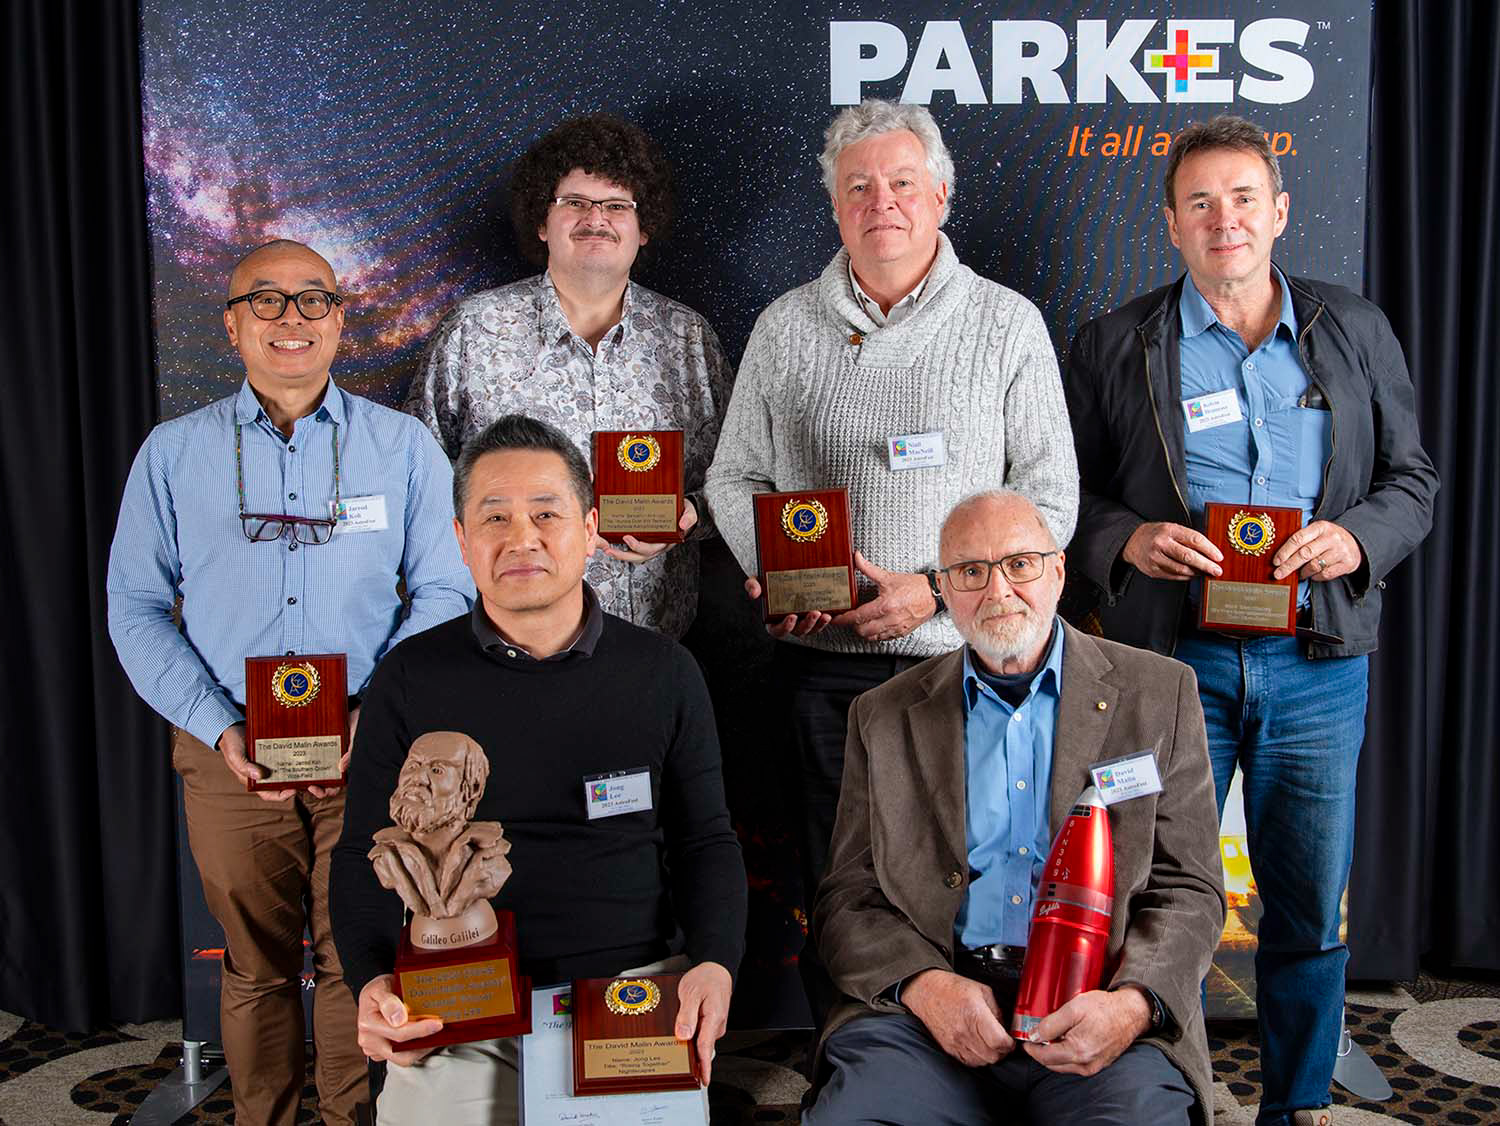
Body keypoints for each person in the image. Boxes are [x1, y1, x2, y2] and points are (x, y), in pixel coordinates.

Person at [1063, 115, 1438, 1126]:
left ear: (1278, 213)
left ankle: (1297, 1103)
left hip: (1317, 664)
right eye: (1199, 203)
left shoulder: (1354, 329)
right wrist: (1126, 542)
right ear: (1172, 226)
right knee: (1153, 896)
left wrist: (1355, 539)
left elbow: (1414, 481)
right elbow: (1066, 499)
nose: (1222, 218)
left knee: (1309, 907)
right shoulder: (1113, 343)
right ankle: (1156, 1096)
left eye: (1242, 198)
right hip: (1171, 666)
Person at [703, 97, 1078, 1016]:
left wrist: (938, 598)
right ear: (835, 209)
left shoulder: (1006, 324)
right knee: (842, 882)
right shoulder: (786, 327)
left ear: (941, 196)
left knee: (973, 866)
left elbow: (1052, 501)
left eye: (903, 183)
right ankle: (857, 1058)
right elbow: (733, 475)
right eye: (859, 187)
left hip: (969, 665)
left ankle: (982, 1049)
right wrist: (778, 570)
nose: (883, 203)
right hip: (823, 667)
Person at [106, 239, 473, 1125]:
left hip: (368, 748)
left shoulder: (404, 446)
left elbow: (446, 589)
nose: (291, 319)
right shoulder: (172, 454)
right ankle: (261, 1117)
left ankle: (355, 1121)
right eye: (264, 301)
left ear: (341, 318)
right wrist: (215, 723)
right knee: (255, 962)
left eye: (313, 300)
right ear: (232, 325)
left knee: (359, 953)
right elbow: (135, 607)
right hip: (227, 748)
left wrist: (372, 712)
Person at [330, 414, 747, 1125]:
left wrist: (714, 963)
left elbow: (705, 842)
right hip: (459, 1004)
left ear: (589, 528)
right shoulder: (408, 679)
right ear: (461, 541)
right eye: (494, 517)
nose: (521, 537)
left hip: (629, 996)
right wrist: (372, 981)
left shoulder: (665, 673)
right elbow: (360, 853)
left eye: (545, 513)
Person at [804, 490, 1225, 1125]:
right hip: (930, 1015)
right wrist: (926, 988)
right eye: (970, 572)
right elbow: (848, 899)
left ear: (1058, 572)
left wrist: (1132, 1005)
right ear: (943, 591)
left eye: (1020, 564)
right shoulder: (883, 715)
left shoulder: (1159, 693)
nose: (998, 591)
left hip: (1100, 1008)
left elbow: (1190, 887)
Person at [407, 113, 732, 639]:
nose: (595, 218)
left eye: (616, 206)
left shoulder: (688, 338)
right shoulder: (474, 330)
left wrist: (688, 518)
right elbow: (417, 480)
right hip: (506, 644)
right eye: (574, 203)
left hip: (651, 646)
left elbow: (736, 477)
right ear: (542, 221)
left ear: (642, 227)